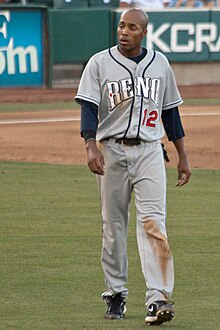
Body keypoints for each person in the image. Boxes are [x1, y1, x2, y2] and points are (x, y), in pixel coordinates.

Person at [75, 8, 191, 326]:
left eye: (132, 27)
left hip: (151, 152)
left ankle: (159, 298)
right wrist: (90, 146)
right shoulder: (99, 62)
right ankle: (115, 294)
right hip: (111, 151)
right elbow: (88, 108)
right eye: (121, 26)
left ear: (143, 32)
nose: (124, 31)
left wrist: (182, 154)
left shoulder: (160, 64)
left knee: (154, 224)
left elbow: (170, 113)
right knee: (113, 227)